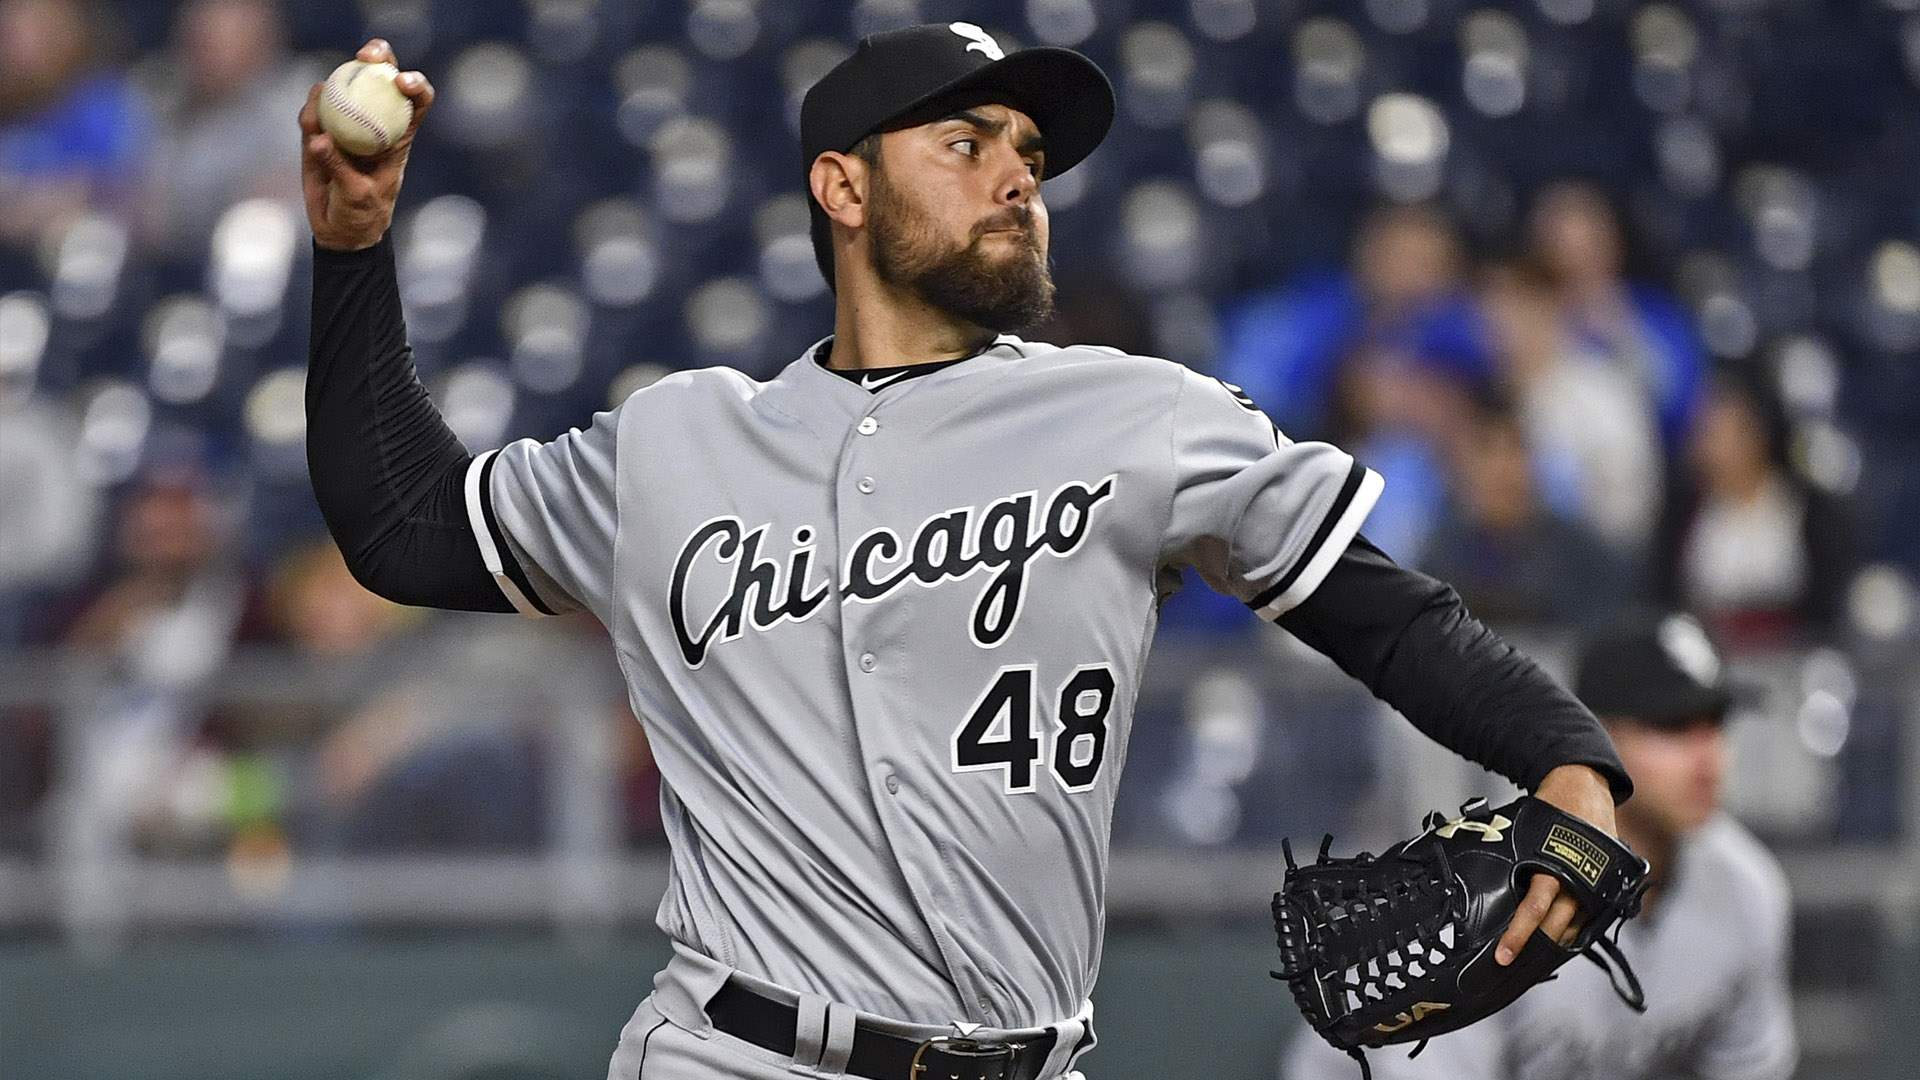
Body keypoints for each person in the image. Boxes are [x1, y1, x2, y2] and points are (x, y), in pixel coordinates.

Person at [301, 30, 1632, 1080]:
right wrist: (354, 250)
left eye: (1032, 156)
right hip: (738, 1055)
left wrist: (1566, 755)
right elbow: (405, 523)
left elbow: (1384, 615)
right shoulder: (675, 444)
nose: (1017, 177)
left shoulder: (1141, 417)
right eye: (965, 140)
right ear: (843, 185)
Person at [1285, 609, 1796, 1080]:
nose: (1710, 759)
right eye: (1673, 727)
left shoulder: (1746, 886)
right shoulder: (1490, 879)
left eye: (1716, 724)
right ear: (1596, 733)